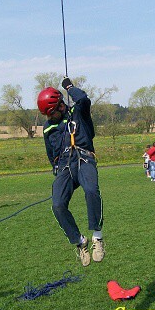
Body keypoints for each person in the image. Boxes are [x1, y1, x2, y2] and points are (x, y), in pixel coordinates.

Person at [37, 78, 104, 267]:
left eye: (52, 113)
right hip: (65, 165)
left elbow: (83, 99)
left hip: (84, 158)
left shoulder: (78, 113)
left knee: (91, 190)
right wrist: (56, 167)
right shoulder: (48, 127)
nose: (50, 118)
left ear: (60, 105)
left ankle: (97, 237)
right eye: (47, 115)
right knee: (57, 205)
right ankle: (80, 242)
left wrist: (69, 87)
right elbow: (50, 151)